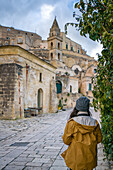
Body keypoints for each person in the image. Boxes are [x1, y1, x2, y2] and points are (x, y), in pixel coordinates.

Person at [61, 96, 102, 170]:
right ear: (87, 107)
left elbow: (66, 141)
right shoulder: (95, 123)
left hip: (75, 159)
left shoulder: (72, 123)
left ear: (77, 107)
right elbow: (99, 140)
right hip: (90, 159)